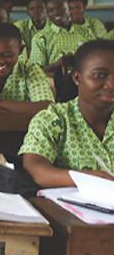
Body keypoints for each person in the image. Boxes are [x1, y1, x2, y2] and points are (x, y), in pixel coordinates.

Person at [21, 39, 114, 187]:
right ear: (77, 78)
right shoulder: (53, 119)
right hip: (72, 206)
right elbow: (35, 167)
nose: (111, 84)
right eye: (100, 75)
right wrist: (85, 179)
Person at [30, 0, 91, 73]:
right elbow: (35, 71)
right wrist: (57, 64)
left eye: (61, 8)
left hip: (83, 79)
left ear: (69, 9)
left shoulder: (85, 32)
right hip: (55, 81)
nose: (57, 13)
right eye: (51, 10)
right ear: (47, 14)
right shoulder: (40, 37)